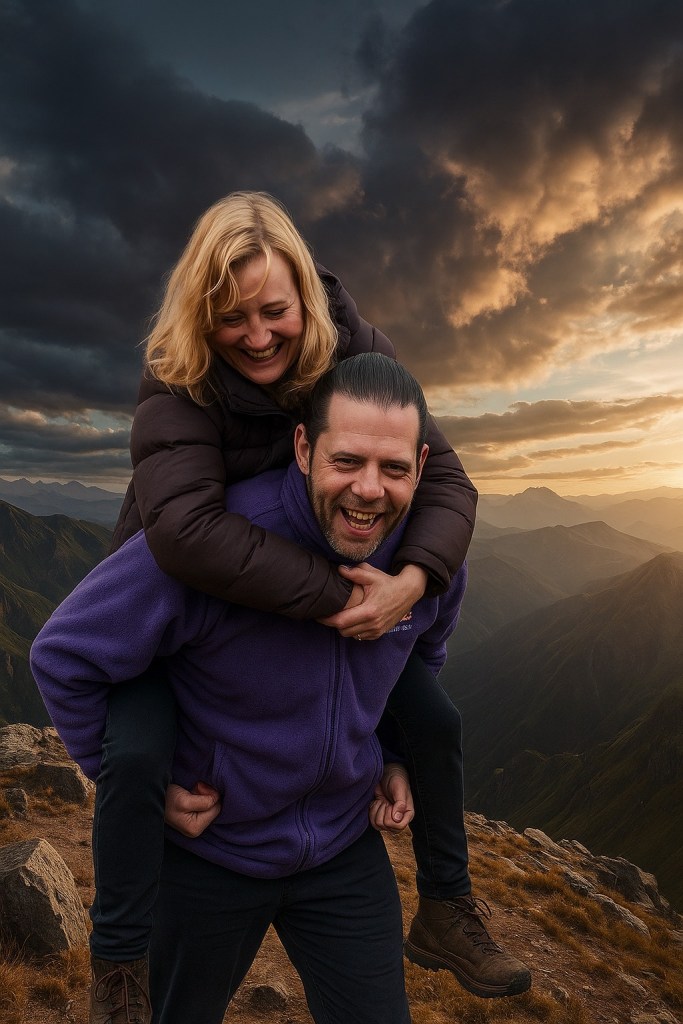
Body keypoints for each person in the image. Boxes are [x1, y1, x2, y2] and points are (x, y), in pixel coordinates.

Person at [59, 192, 529, 1018]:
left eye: (273, 310)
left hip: (338, 837)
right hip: (189, 578)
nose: (256, 334)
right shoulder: (179, 380)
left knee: (433, 718)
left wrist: (409, 585)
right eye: (229, 318)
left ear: (306, 302)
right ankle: (118, 962)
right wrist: (339, 603)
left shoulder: (355, 354)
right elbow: (188, 535)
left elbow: (449, 482)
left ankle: (447, 905)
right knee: (137, 758)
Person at [31, 355, 468, 1024]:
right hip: (212, 852)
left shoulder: (422, 560)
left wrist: (394, 753)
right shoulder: (210, 545)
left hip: (343, 852)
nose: (370, 491)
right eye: (346, 461)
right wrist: (135, 783)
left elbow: (420, 651)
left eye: (394, 469)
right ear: (302, 447)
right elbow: (63, 655)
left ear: (423, 464)